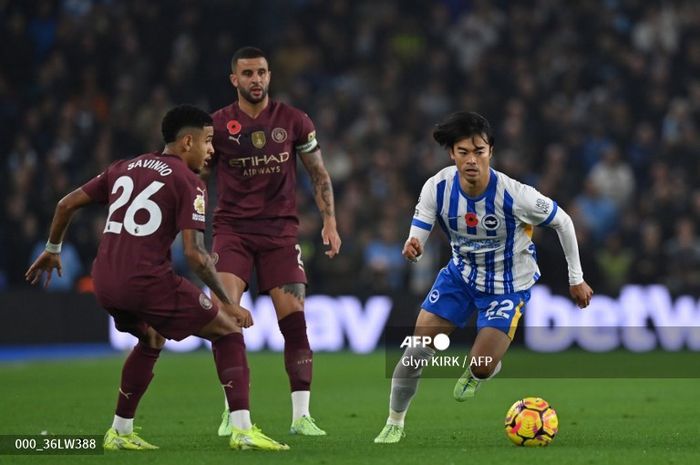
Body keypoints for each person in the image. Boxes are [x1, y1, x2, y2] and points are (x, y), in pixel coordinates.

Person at [25, 105, 290, 451]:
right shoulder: (188, 181)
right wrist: (229, 303)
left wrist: (52, 247)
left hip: (104, 281)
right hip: (147, 281)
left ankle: (120, 432)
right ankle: (243, 431)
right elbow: (195, 255)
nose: (212, 150)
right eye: (208, 142)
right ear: (187, 142)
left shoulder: (124, 167)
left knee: (151, 338)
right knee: (228, 330)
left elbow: (65, 204)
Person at [373, 111, 594, 444]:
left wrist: (575, 278)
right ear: (452, 154)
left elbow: (562, 221)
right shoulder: (438, 186)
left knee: (481, 365)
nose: (471, 159)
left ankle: (480, 373)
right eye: (463, 152)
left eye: (479, 151)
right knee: (416, 350)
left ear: (491, 150)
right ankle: (395, 422)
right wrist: (414, 243)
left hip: (507, 288)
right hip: (460, 277)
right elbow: (420, 227)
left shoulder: (515, 194)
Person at [207, 46, 341, 437]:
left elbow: (319, 174)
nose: (256, 80)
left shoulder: (294, 121)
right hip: (232, 231)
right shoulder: (216, 126)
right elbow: (196, 179)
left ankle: (301, 417)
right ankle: (233, 413)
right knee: (225, 321)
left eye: (262, 72)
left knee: (295, 325)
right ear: (234, 79)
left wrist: (330, 221)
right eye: (248, 73)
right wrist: (191, 229)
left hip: (281, 233)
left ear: (270, 75)